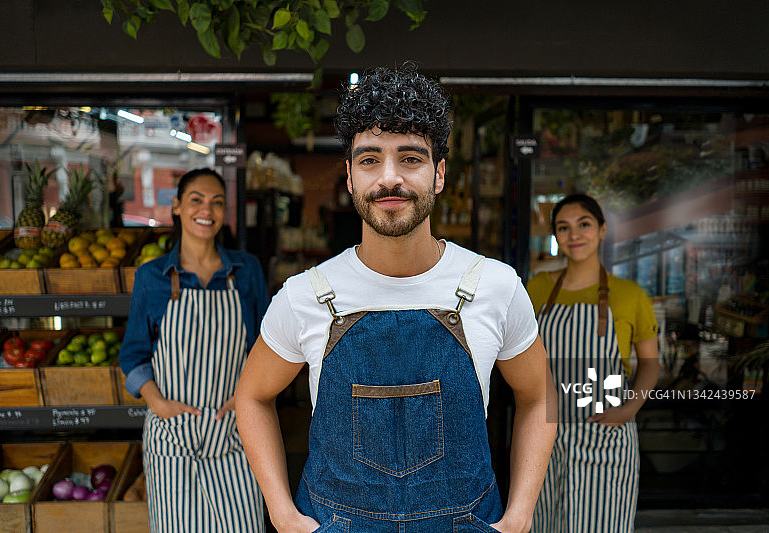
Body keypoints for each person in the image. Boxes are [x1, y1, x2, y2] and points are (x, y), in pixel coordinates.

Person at [235, 63, 557, 533]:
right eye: (370, 160)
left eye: (410, 158)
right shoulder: (307, 295)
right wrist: (282, 515)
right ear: (350, 177)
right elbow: (251, 396)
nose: (390, 178)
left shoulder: (495, 286)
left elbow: (539, 394)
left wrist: (521, 514)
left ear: (439, 174)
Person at [119, 168, 269, 533]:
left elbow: (267, 348)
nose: (207, 210)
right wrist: (157, 403)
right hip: (172, 438)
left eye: (217, 202)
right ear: (177, 206)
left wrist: (246, 398)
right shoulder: (151, 276)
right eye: (196, 200)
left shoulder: (246, 271)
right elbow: (134, 355)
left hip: (234, 432)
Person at [527, 193, 659, 533]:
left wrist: (628, 410)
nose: (574, 235)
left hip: (607, 436)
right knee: (545, 523)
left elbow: (650, 364)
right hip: (545, 436)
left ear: (602, 229)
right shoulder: (537, 289)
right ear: (556, 236)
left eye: (584, 224)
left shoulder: (630, 295)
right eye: (563, 227)